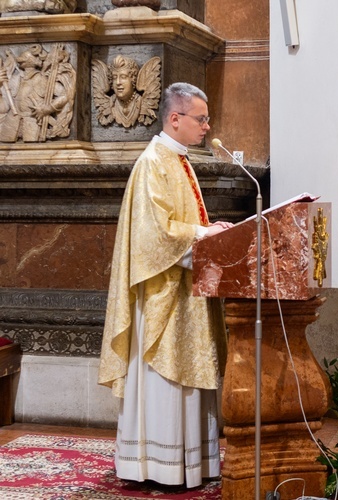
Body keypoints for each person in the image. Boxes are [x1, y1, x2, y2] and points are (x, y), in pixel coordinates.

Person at [98, 82, 232, 488]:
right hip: (163, 296)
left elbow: (180, 225)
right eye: (201, 118)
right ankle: (157, 466)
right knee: (165, 381)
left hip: (184, 292)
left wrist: (209, 232)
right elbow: (154, 234)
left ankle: (193, 464)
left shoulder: (179, 160)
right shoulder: (153, 163)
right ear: (175, 119)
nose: (207, 126)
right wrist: (205, 234)